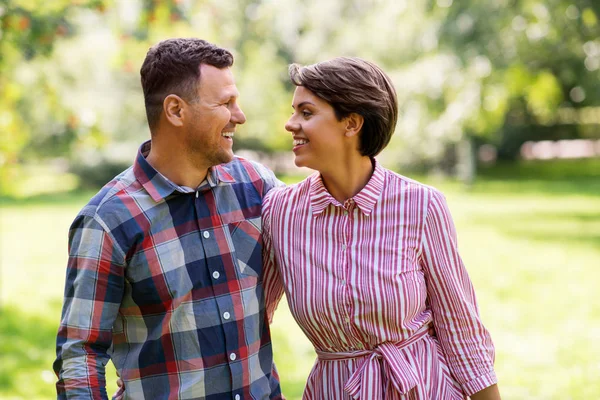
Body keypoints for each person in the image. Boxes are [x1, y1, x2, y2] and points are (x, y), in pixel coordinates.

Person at [53, 38, 284, 400]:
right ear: (176, 110)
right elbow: (80, 353)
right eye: (226, 104)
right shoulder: (108, 220)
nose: (239, 116)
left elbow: (326, 232)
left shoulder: (256, 187)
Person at [261, 57, 501, 399]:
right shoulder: (280, 213)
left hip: (424, 388)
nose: (290, 124)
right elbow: (251, 322)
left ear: (351, 123)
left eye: (306, 112)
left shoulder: (420, 206)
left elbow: (460, 328)